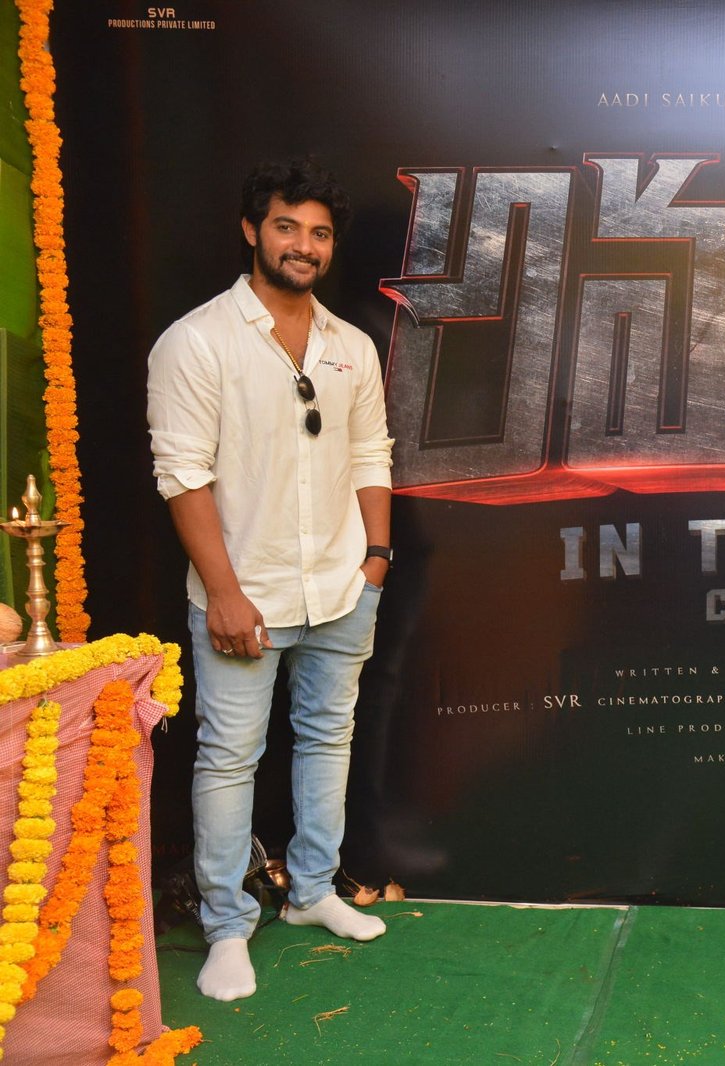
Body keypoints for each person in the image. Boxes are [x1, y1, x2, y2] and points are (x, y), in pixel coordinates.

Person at [147, 158, 394, 1001]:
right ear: (253, 230)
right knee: (229, 758)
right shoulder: (197, 341)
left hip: (341, 586)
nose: (304, 245)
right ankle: (227, 926)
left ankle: (313, 892)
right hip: (242, 593)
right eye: (287, 226)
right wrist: (222, 591)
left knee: (329, 738)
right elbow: (183, 475)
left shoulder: (350, 346)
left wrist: (375, 561)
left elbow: (371, 454)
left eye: (319, 233)